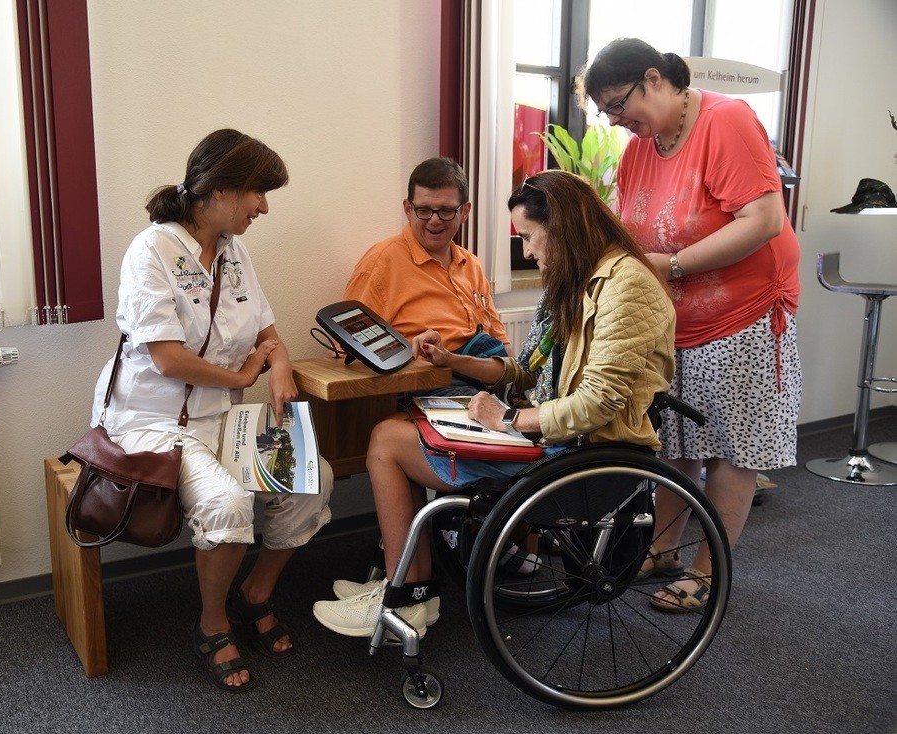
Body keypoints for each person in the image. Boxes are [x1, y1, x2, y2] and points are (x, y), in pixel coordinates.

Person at [312, 169, 675, 636]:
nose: (527, 251)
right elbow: (523, 370)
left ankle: (408, 595)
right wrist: (453, 360)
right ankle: (408, 589)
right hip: (551, 436)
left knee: (387, 441)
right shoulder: (572, 281)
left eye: (529, 237)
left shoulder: (628, 285)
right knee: (401, 430)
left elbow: (597, 404)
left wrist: (508, 418)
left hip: (577, 450)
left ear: (562, 227)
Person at [91, 129, 332, 691]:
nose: (264, 207)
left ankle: (255, 594)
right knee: (227, 502)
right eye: (258, 192)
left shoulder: (234, 251)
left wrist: (278, 366)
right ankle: (212, 623)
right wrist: (245, 376)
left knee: (312, 478)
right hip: (152, 422)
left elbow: (268, 333)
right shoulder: (152, 250)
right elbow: (168, 359)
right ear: (222, 189)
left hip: (223, 419)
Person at [579, 38, 802, 613]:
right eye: (605, 111)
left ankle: (707, 571)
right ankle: (663, 551)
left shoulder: (726, 121)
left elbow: (764, 219)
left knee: (731, 449)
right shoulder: (641, 147)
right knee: (676, 442)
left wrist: (673, 265)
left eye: (618, 104)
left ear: (654, 78)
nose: (615, 120)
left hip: (741, 314)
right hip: (676, 321)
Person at [343, 157, 510, 392]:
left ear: (464, 212)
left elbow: (502, 344)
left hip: (486, 378)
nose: (434, 220)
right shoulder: (381, 263)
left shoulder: (471, 264)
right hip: (425, 386)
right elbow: (345, 353)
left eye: (446, 211)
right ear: (408, 209)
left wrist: (519, 386)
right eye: (424, 210)